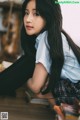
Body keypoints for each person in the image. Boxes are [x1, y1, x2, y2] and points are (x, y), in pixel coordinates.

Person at [0, 0, 80, 119]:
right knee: (29, 62)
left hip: (73, 94)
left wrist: (28, 80)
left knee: (29, 64)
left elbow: (36, 86)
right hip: (70, 93)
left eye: (36, 14)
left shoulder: (47, 37)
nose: (28, 19)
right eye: (26, 13)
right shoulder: (55, 36)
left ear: (48, 16)